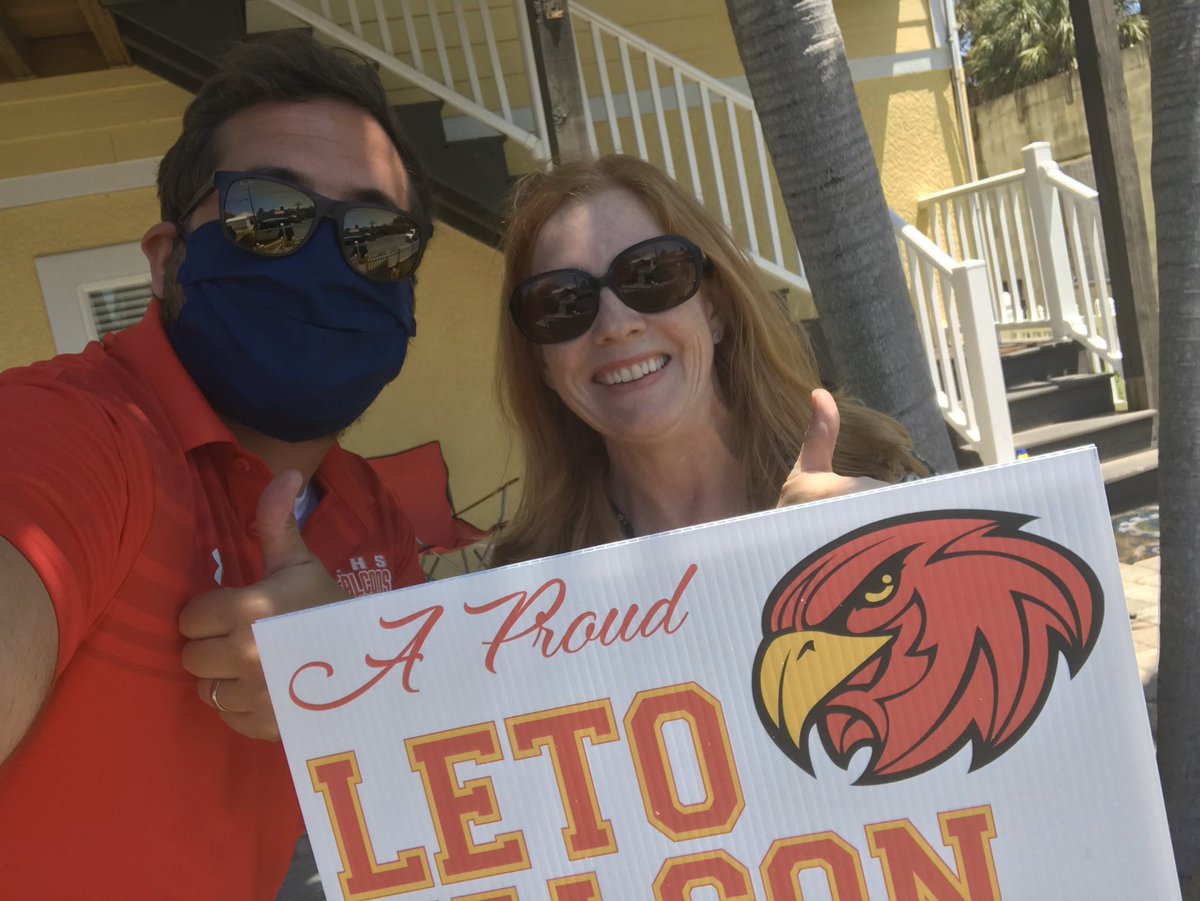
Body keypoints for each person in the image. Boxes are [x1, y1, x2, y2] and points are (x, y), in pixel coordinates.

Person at [0, 33, 431, 899]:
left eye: (376, 233)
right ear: (167, 259)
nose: (324, 255)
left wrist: (352, 684)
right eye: (268, 213)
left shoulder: (371, 515)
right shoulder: (77, 432)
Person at [492, 155, 926, 565]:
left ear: (714, 304)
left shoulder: (872, 477)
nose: (616, 325)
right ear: (541, 361)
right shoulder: (524, 589)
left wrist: (886, 537)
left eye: (653, 274)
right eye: (562, 302)